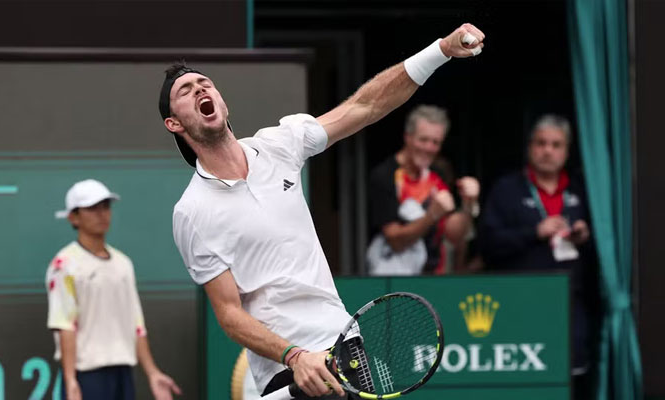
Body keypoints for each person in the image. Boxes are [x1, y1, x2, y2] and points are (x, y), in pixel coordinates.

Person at [161, 24, 485, 399]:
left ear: (222, 101)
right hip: (282, 368)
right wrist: (295, 356)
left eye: (205, 83)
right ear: (175, 123)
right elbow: (229, 315)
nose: (200, 88)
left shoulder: (279, 145)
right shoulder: (192, 212)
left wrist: (440, 50)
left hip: (341, 342)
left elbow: (365, 106)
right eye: (185, 90)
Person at [478, 115, 597, 398]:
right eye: (541, 143)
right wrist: (534, 231)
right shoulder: (507, 189)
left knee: (572, 378)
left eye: (556, 145)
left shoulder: (584, 189)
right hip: (517, 304)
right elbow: (487, 245)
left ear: (567, 151)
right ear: (530, 147)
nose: (548, 150)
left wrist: (584, 236)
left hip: (570, 301)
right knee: (524, 382)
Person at [46, 179, 181, 400]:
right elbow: (65, 325)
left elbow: (136, 324)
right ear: (74, 217)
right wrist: (71, 380)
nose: (101, 214)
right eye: (92, 208)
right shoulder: (64, 265)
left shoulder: (123, 264)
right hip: (86, 376)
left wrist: (152, 372)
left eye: (105, 206)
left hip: (122, 372)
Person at [367, 105, 480, 276]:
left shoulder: (438, 173)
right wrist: (431, 217)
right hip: (393, 280)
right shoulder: (385, 175)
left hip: (434, 276)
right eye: (423, 140)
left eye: (435, 142)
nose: (429, 148)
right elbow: (395, 240)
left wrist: (468, 203)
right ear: (408, 137)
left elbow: (454, 234)